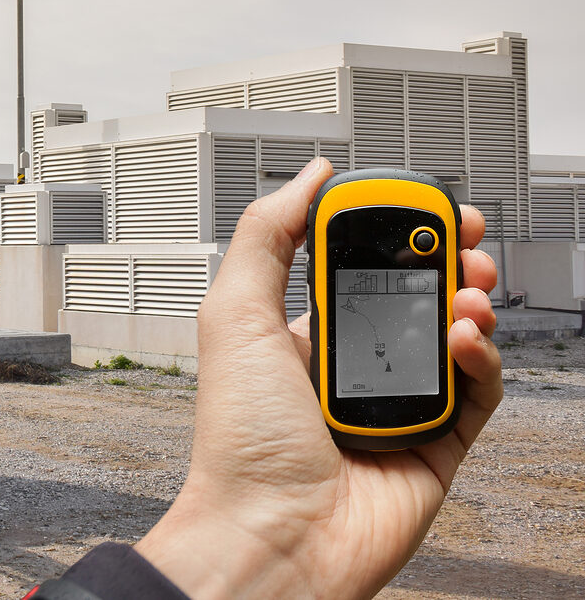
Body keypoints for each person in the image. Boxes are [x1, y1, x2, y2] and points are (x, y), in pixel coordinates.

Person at [28, 158, 503, 599]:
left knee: (452, 314)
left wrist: (270, 546)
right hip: (401, 422)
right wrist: (267, 529)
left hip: (408, 424)